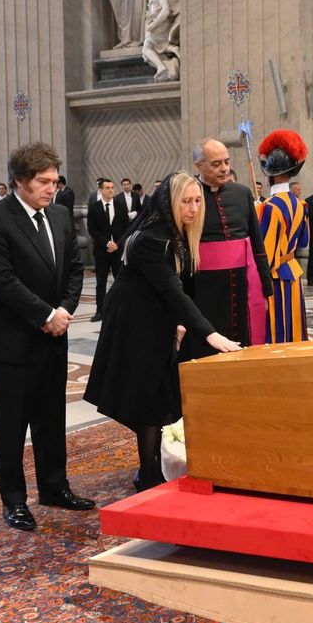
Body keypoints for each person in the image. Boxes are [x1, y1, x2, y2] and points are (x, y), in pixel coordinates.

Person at [84, 172, 242, 491]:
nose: (194, 208)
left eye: (198, 201)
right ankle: (148, 474)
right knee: (147, 395)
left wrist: (181, 323)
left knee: (156, 392)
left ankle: (150, 469)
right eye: (186, 201)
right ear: (169, 202)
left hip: (152, 313)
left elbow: (174, 286)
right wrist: (210, 334)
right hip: (134, 320)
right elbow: (172, 291)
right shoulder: (154, 238)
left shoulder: (172, 232)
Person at [0, 141, 91, 531]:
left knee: (50, 418)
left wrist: (65, 311)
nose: (51, 189)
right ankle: (14, 500)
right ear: (20, 181)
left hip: (52, 337)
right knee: (10, 426)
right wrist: (44, 315)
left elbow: (75, 268)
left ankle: (54, 487)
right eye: (43, 182)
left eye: (55, 181)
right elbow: (1, 281)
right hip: (10, 342)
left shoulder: (58, 216)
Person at [186, 137, 272, 356]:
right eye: (216, 164)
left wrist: (266, 290)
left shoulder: (242, 193)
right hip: (204, 287)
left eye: (226, 162)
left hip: (243, 283)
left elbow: (257, 244)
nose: (224, 169)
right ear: (198, 166)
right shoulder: (188, 196)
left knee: (244, 341)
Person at [256, 129, 311, 344]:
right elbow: (304, 242)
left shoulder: (269, 207)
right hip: (293, 273)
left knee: (277, 332)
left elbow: (266, 255)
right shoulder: (301, 204)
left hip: (275, 278)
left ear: (269, 174)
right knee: (294, 331)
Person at [86, 178, 130, 321]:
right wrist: (107, 243)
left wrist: (117, 244)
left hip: (117, 251)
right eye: (107, 188)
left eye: (112, 187)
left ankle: (121, 310)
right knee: (101, 282)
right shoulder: (94, 208)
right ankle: (100, 311)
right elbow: (92, 230)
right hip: (101, 251)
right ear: (100, 190)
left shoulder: (121, 206)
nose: (111, 190)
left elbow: (127, 228)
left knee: (120, 281)